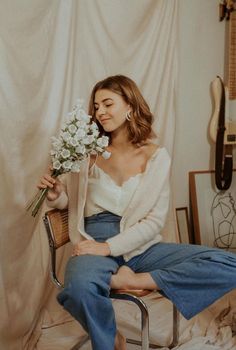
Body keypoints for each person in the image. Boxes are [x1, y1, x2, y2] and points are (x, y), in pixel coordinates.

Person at [38, 75, 236, 350]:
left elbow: (154, 222)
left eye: (108, 103)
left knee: (230, 264)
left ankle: (139, 279)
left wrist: (112, 250)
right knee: (78, 289)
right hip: (93, 238)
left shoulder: (156, 156)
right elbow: (73, 202)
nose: (100, 112)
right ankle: (110, 338)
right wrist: (57, 195)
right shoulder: (88, 152)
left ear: (130, 106)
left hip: (140, 245)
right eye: (96, 106)